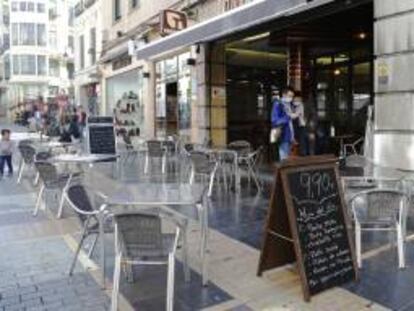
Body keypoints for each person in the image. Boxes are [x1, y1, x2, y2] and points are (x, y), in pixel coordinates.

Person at [271, 87, 295, 161]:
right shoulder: (278, 104)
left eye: (292, 96)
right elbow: (275, 121)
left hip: (289, 135)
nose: (291, 98)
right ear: (284, 95)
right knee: (284, 158)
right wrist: (288, 117)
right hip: (283, 134)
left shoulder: (289, 105)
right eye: (289, 96)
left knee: (287, 157)